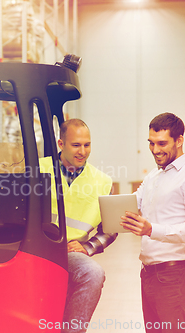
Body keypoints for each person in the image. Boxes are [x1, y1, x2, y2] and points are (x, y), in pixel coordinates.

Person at [120, 113, 185, 333]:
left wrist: (152, 230)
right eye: (151, 143)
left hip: (174, 277)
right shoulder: (154, 176)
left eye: (162, 143)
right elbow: (131, 203)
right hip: (148, 274)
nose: (155, 150)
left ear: (179, 140)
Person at [39, 118, 117, 333]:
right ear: (61, 144)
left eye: (87, 145)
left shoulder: (102, 181)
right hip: (36, 248)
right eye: (76, 145)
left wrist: (87, 247)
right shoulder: (38, 170)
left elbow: (110, 228)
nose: (83, 151)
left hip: (71, 252)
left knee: (93, 273)